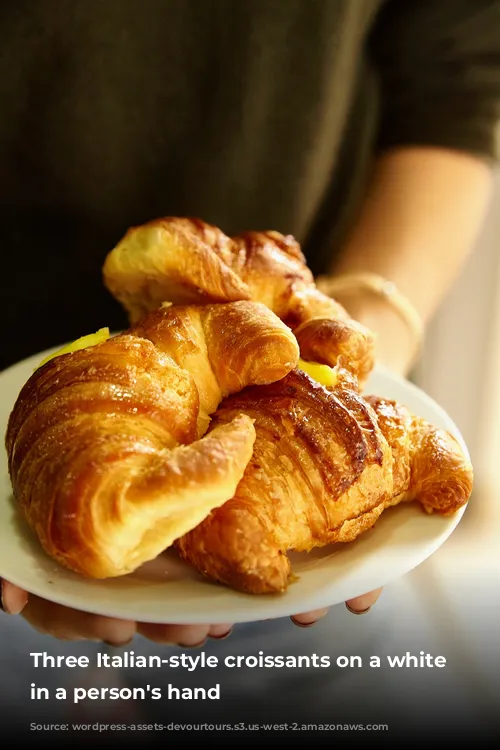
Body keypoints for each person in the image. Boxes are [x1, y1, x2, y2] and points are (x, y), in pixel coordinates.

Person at [1, 0, 499, 740]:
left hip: (324, 389)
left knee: (294, 694)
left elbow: (457, 82)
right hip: (34, 419)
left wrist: (373, 315)